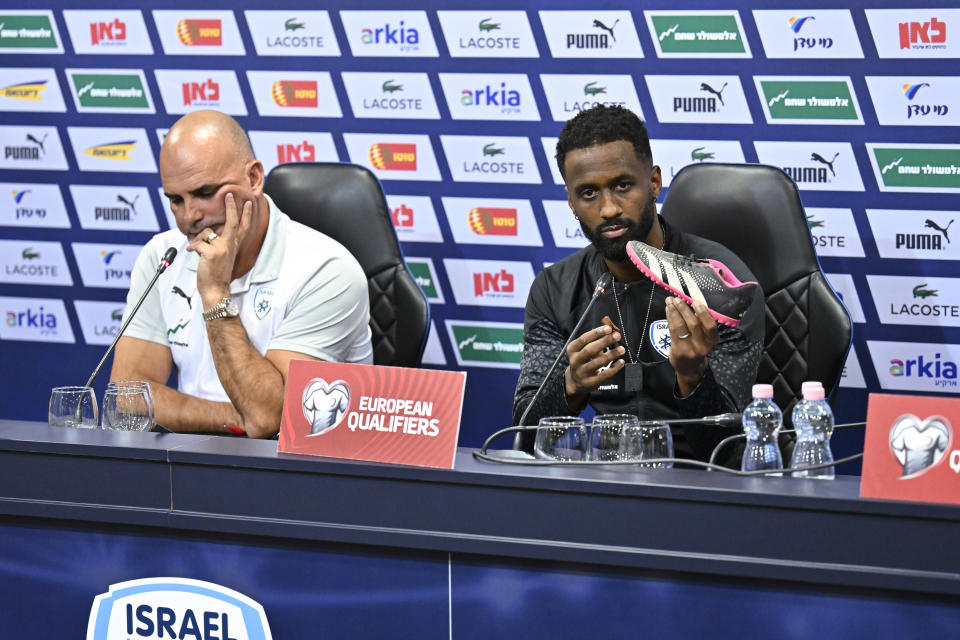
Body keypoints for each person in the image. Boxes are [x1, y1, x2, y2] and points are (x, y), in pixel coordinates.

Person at [512, 105, 764, 463]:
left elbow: (727, 452)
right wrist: (569, 385)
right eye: (588, 193)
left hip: (701, 487)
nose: (610, 208)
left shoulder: (720, 283)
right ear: (570, 200)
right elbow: (523, 433)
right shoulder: (555, 288)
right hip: (606, 484)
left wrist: (693, 377)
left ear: (654, 182)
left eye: (623, 185)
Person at [110, 110, 372, 438]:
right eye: (176, 200)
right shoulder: (163, 255)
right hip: (189, 467)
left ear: (253, 179)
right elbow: (127, 397)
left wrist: (215, 293)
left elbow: (267, 419)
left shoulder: (328, 271)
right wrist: (233, 418)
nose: (190, 216)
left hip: (298, 476)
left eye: (206, 193)